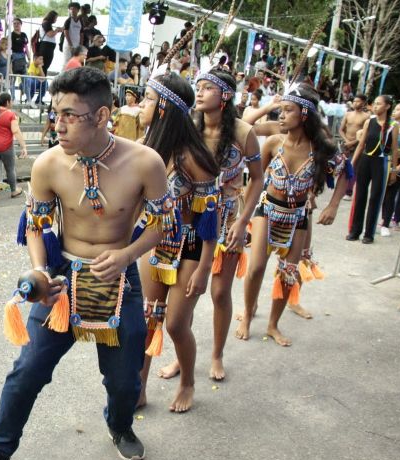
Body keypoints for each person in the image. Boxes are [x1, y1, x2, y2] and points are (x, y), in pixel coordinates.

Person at [0, 67, 172, 460]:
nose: (56, 124)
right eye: (54, 113)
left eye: (69, 115)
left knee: (124, 380)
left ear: (101, 115)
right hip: (62, 281)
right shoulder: (47, 164)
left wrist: (128, 255)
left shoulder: (145, 163)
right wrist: (41, 271)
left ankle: (119, 426)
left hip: (120, 282)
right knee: (27, 372)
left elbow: (163, 224)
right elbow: (36, 226)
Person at [154, 70, 263, 383]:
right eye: (197, 88)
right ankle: (181, 357)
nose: (199, 94)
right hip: (190, 223)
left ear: (225, 96)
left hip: (227, 221)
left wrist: (243, 221)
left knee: (219, 292)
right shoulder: (190, 129)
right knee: (184, 294)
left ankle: (217, 354)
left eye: (207, 88)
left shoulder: (244, 133)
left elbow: (257, 180)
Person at [236, 85, 348, 347]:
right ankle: (247, 315)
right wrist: (243, 215)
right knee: (256, 268)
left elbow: (344, 172)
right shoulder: (275, 142)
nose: (282, 116)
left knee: (288, 272)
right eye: (281, 110)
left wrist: (332, 206)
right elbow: (255, 175)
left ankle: (273, 324)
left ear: (305, 115)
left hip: (298, 216)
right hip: (268, 209)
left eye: (288, 111)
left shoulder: (321, 149)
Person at [135, 72, 220, 412]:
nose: (141, 105)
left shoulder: (193, 159)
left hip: (191, 247)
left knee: (175, 324)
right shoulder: (147, 148)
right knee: (147, 318)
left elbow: (209, 220)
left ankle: (187, 382)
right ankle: (138, 389)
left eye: (148, 99)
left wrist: (204, 268)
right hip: (155, 244)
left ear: (164, 107)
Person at [347, 95, 399, 244]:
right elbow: (361, 144)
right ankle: (355, 231)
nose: (375, 106)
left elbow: (394, 149)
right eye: (374, 104)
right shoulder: (369, 121)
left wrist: (394, 171)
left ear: (387, 106)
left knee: (375, 198)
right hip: (365, 160)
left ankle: (369, 234)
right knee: (360, 196)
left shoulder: (392, 125)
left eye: (378, 104)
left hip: (381, 162)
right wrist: (352, 163)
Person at [0, 92, 26, 202]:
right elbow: (15, 131)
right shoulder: (10, 115)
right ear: (7, 102)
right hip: (5, 146)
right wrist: (23, 146)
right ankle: (13, 190)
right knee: (10, 169)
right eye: (11, 101)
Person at [339, 94, 370, 201]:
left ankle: (349, 191)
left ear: (363, 103)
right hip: (345, 145)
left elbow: (365, 134)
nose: (355, 103)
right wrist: (346, 141)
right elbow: (341, 129)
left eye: (358, 101)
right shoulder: (348, 114)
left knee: (353, 168)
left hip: (357, 146)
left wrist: (353, 142)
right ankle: (340, 189)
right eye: (354, 101)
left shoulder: (366, 117)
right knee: (341, 167)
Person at [380, 102, 400, 235]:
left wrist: (399, 167)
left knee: (393, 194)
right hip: (386, 163)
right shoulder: (390, 126)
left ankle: (389, 221)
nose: (395, 111)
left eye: (398, 109)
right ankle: (384, 219)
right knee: (383, 193)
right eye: (394, 109)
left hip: (399, 166)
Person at [36, 11, 62, 76]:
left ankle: (43, 80)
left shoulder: (47, 24)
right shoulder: (46, 23)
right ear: (52, 17)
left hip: (48, 47)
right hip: (46, 47)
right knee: (43, 66)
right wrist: (57, 30)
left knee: (45, 66)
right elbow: (50, 34)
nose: (56, 19)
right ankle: (41, 81)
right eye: (55, 18)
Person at [61, 2, 82, 66]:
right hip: (68, 45)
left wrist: (80, 45)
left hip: (77, 45)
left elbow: (82, 34)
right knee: (66, 62)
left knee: (75, 62)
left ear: (78, 10)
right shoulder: (68, 20)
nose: (72, 10)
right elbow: (66, 33)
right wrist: (70, 45)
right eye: (71, 9)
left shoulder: (80, 21)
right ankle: (63, 76)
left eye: (74, 9)